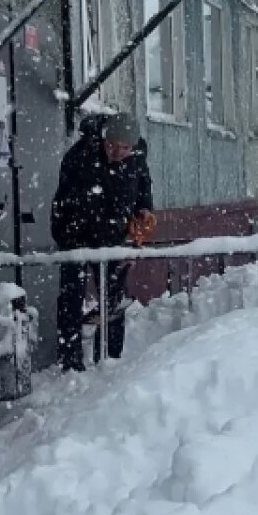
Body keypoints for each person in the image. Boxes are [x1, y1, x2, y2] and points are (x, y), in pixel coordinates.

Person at [50, 113, 155, 371]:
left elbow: (143, 193)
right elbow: (61, 202)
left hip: (114, 239)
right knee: (71, 296)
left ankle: (109, 358)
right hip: (76, 237)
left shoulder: (137, 160)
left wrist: (144, 213)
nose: (117, 153)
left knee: (114, 298)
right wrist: (67, 239)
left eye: (124, 148)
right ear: (103, 139)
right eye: (111, 146)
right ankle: (70, 361)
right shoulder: (79, 157)